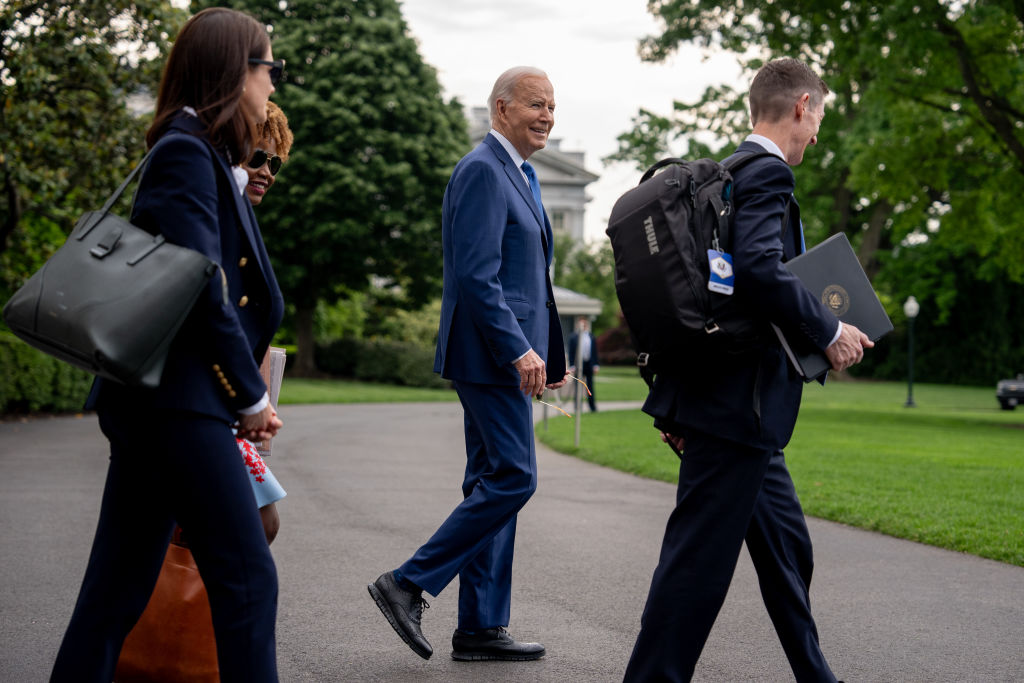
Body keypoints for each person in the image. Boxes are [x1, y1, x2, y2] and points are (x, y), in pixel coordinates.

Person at [51, 8, 285, 682]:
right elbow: (198, 286)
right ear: (231, 70)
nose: (274, 82)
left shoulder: (202, 151)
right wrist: (247, 393)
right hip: (180, 405)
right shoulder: (187, 151)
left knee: (113, 596)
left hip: (162, 406)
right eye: (268, 66)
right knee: (247, 582)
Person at [622, 58, 873, 683]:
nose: (817, 134)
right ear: (801, 106)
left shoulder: (730, 173)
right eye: (819, 118)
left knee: (788, 551)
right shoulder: (766, 174)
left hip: (739, 410)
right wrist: (832, 329)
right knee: (695, 569)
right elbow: (760, 273)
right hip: (738, 412)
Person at [368, 66, 568, 663]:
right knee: (514, 478)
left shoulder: (521, 175)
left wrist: (544, 354)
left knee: (490, 483)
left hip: (507, 359)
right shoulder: (483, 169)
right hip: (488, 357)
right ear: (500, 109)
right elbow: (478, 278)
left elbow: (528, 280)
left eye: (553, 107)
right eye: (536, 104)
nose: (548, 116)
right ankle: (407, 583)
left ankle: (481, 627)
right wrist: (518, 349)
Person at [239, 100, 295, 544]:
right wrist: (249, 400)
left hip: (231, 413)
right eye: (257, 157)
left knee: (260, 524)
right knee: (258, 523)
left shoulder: (243, 218)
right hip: (206, 408)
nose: (267, 171)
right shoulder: (218, 212)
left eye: (274, 162)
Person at [568, 316, 600, 412]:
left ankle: (592, 407)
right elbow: (571, 352)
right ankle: (578, 407)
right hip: (578, 365)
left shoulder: (591, 336)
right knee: (578, 387)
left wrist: (596, 365)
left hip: (589, 364)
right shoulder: (573, 337)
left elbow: (594, 352)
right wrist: (572, 365)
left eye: (584, 324)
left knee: (590, 387)